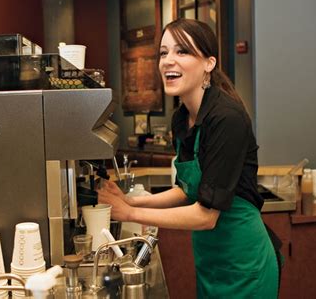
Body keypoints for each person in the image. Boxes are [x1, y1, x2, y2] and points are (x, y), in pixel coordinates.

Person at [98, 18, 279, 298]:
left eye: (182, 51)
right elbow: (185, 190)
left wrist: (131, 213)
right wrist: (130, 200)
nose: (168, 60)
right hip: (212, 262)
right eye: (163, 52)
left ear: (209, 63)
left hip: (245, 264)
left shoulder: (226, 119)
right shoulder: (182, 118)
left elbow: (206, 215)